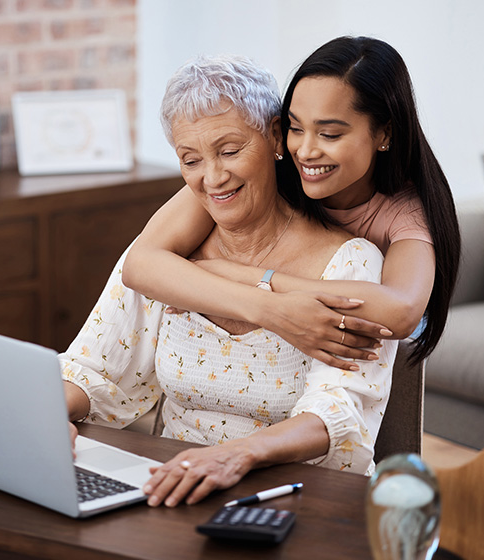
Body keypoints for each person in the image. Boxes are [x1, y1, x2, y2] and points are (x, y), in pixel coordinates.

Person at [60, 54, 397, 509]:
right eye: (190, 159)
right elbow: (93, 369)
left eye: (230, 150)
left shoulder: (350, 263)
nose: (213, 178)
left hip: (300, 499)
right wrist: (45, 416)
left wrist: (232, 458)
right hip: (179, 489)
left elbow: (338, 415)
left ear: (276, 137)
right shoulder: (166, 258)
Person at [122, 36, 461, 369]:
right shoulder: (264, 169)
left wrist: (248, 277)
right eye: (295, 128)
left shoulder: (406, 210)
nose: (306, 151)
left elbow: (400, 312)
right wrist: (266, 305)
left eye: (329, 134)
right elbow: (141, 264)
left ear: (384, 134)